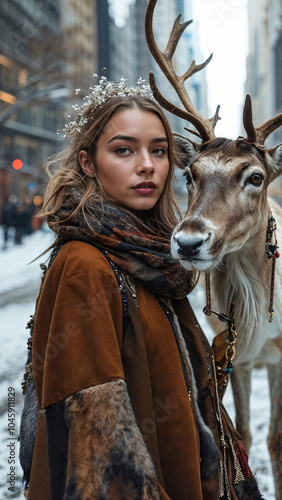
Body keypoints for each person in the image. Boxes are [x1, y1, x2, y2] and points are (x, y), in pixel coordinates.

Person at [19, 76, 263, 500]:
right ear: (88, 163)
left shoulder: (148, 259)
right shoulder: (87, 267)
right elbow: (99, 454)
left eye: (159, 151)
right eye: (124, 150)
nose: (147, 165)